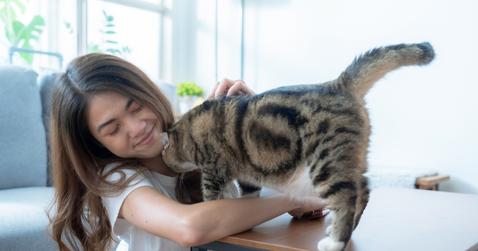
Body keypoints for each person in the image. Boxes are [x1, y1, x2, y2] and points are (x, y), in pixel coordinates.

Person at [48, 53, 325, 251]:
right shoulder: (116, 180)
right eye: (112, 129)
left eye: (135, 107)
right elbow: (189, 228)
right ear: (96, 143)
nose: (136, 127)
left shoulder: (194, 139)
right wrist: (294, 198)